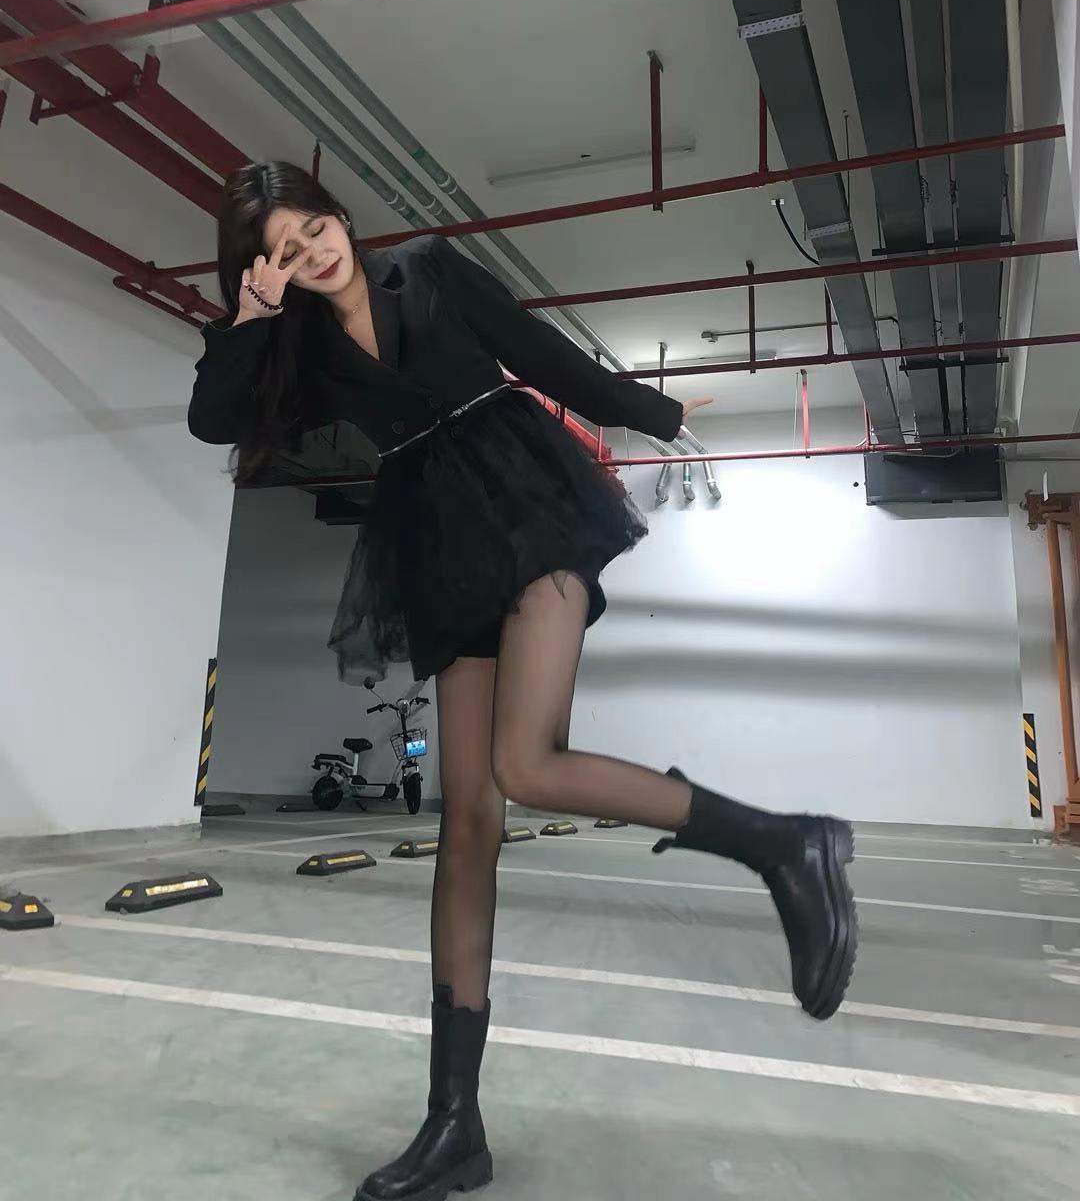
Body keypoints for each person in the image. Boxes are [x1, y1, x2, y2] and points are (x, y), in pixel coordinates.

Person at [189, 162, 857, 1201]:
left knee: (526, 762)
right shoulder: (296, 343)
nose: (312, 251)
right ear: (264, 267)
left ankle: (784, 843)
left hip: (527, 500)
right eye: (283, 249)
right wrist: (248, 320)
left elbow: (543, 355)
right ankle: (453, 1122)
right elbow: (214, 419)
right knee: (468, 821)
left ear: (339, 215)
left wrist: (655, 410)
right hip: (436, 543)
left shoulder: (428, 270)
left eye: (313, 227)